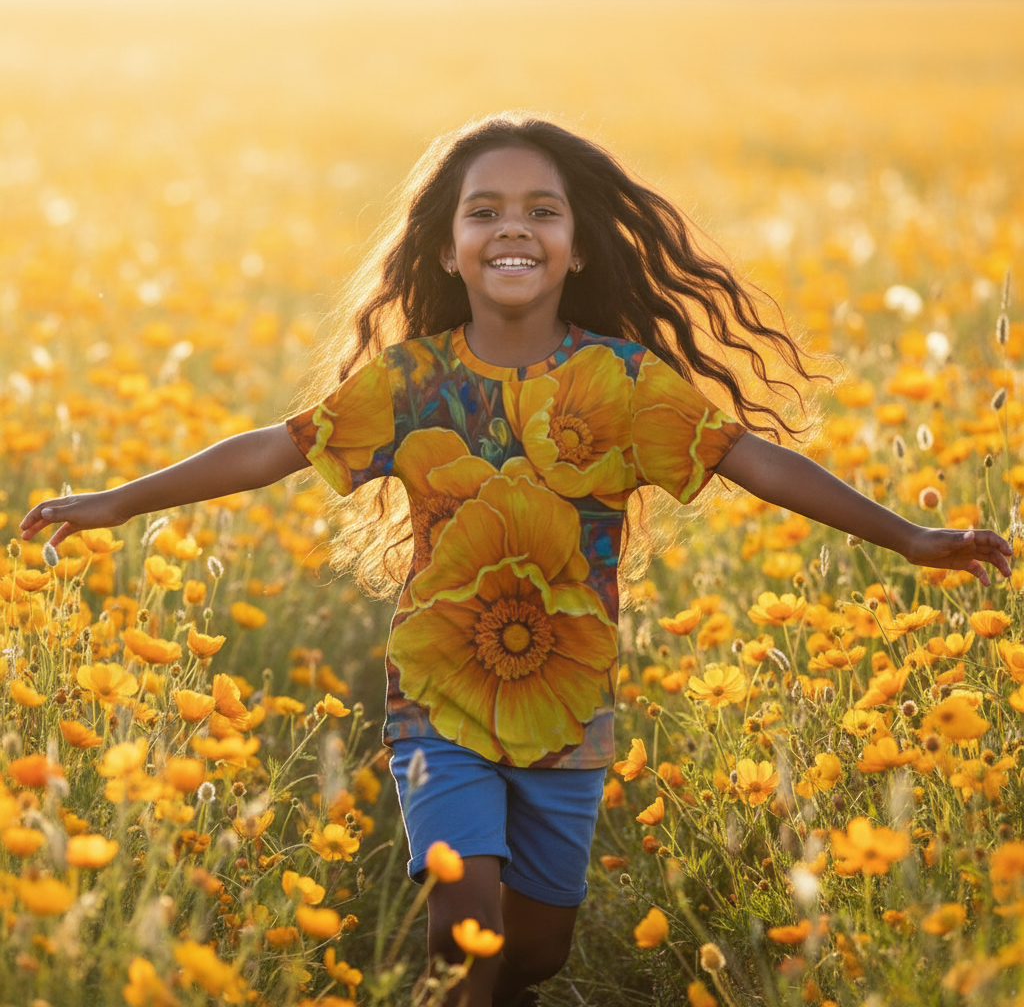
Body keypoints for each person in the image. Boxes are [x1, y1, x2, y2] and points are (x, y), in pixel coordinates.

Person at [20, 115, 1012, 1007]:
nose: (512, 226)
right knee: (468, 931)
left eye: (541, 210)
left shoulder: (624, 383)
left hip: (567, 703)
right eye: (483, 209)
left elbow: (757, 463)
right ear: (446, 247)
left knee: (534, 948)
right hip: (435, 696)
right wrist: (116, 501)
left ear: (576, 249)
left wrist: (911, 535)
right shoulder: (410, 381)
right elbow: (271, 448)